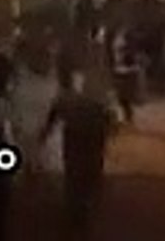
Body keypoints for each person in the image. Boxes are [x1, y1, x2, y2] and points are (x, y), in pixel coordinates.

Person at [42, 70, 114, 234]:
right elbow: (108, 118)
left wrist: (46, 132)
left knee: (76, 174)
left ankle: (76, 212)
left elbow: (55, 114)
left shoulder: (68, 96)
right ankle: (81, 211)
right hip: (88, 136)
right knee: (85, 174)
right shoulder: (95, 94)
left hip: (79, 136)